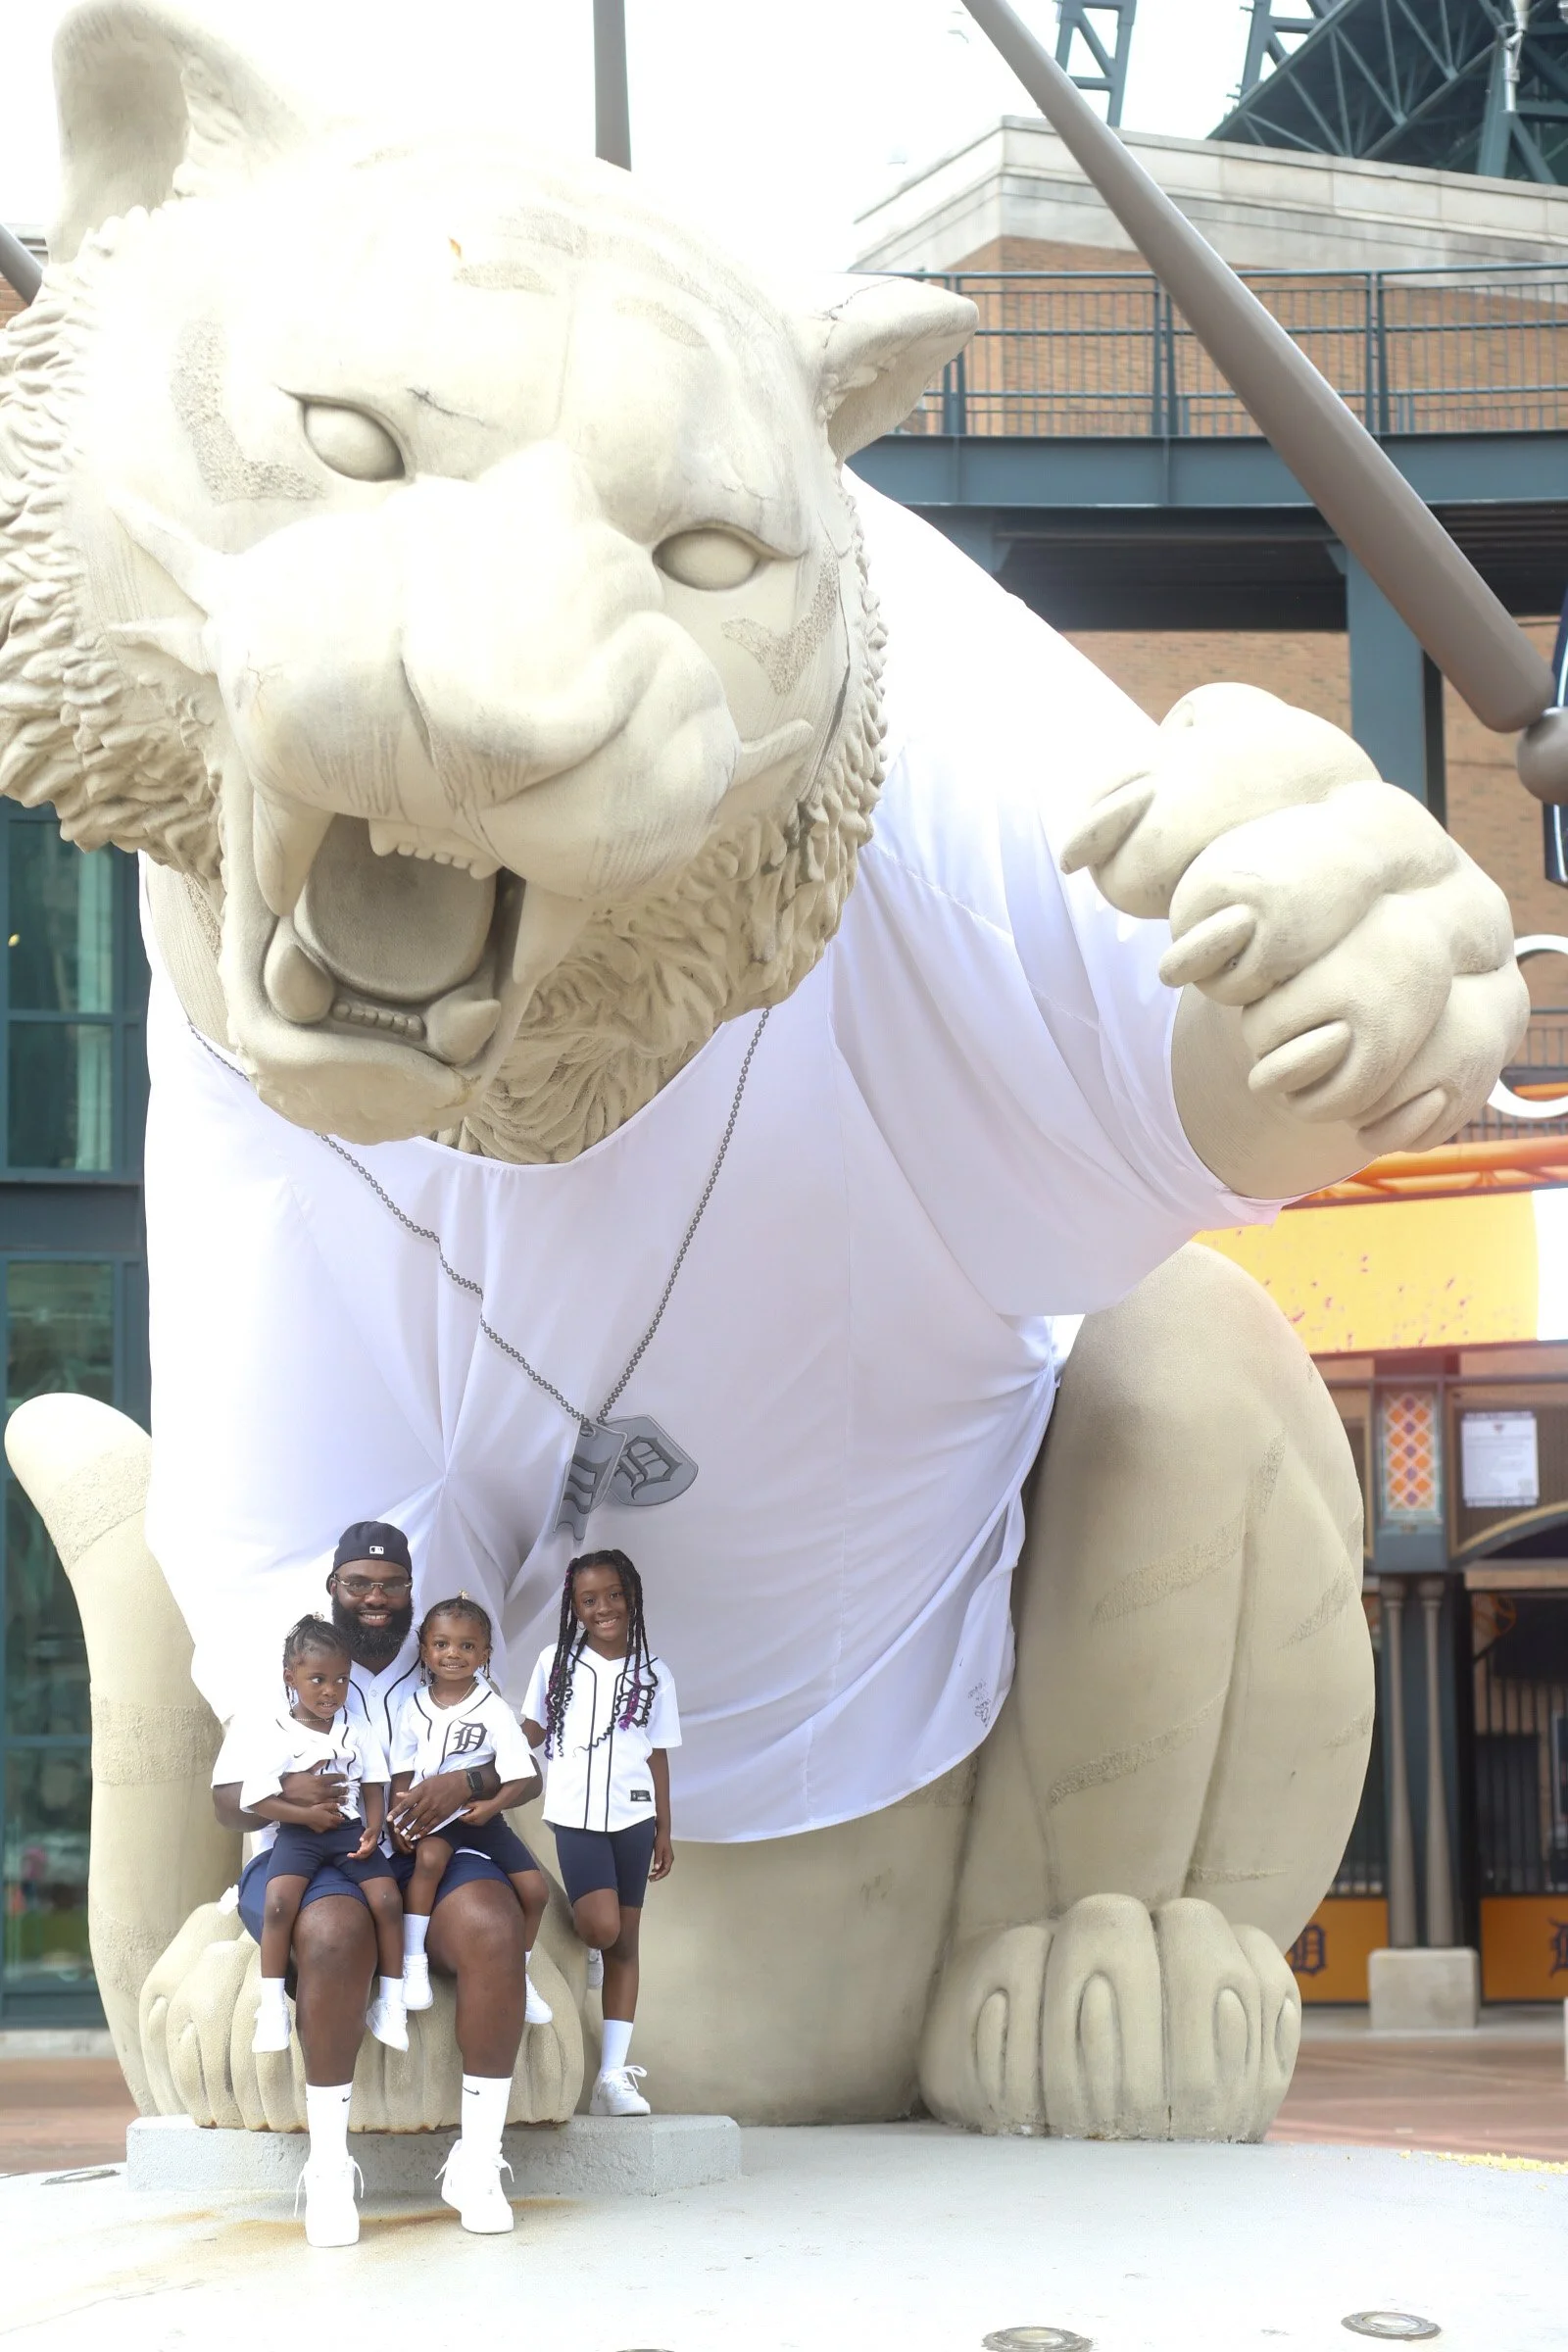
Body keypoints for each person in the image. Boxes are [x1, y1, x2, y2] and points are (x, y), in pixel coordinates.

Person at [211, 1519, 535, 2246]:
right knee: (331, 1935)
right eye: (360, 1584)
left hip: (425, 1850)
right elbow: (225, 1801)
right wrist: (289, 1794)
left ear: (411, 1592)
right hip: (312, 1853)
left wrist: (466, 1780)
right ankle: (328, 2172)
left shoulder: (447, 1662)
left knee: (493, 1925)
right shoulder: (295, 1671)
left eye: (391, 1586)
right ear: (334, 1588)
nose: (376, 1599)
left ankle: (477, 2163)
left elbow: (523, 1773)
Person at [521, 1548, 679, 2118]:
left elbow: (657, 1752)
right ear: (576, 1607)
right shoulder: (555, 1662)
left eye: (613, 1594)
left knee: (627, 1944)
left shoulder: (654, 1672)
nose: (604, 1607)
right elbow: (533, 1729)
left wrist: (665, 1824)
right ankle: (590, 1943)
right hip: (575, 1813)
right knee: (601, 1926)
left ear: (631, 1596)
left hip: (634, 1816)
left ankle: (612, 2078)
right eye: (589, 1600)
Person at [222, 1615, 406, 2057]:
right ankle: (272, 2008)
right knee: (279, 1902)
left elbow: (375, 1785)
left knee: (386, 1900)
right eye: (318, 1679)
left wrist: (374, 1826)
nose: (331, 1691)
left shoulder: (355, 1731)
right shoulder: (276, 1733)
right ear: (291, 1677)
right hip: (298, 1835)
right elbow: (256, 1798)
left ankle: (393, 2002)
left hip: (347, 1834)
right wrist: (301, 1815)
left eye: (341, 1680)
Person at [390, 1594, 554, 2028]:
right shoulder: (415, 1706)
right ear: (425, 1650)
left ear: (485, 1654)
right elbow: (401, 1768)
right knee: (429, 1859)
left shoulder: (494, 1709)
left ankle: (520, 1972)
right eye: (442, 1644)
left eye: (467, 1646)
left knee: (536, 1892)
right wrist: (398, 1816)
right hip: (433, 1816)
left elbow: (521, 1774)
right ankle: (413, 1963)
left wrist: (491, 1807)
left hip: (481, 1815)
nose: (453, 1655)